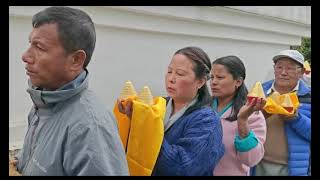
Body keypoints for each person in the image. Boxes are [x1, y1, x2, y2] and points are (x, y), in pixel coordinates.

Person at [13, 6, 129, 175]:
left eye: (39, 47)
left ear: (75, 60)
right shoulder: (43, 102)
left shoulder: (89, 128)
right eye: (30, 43)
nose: (25, 56)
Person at [118, 46, 225, 175]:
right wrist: (132, 119)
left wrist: (146, 127)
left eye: (180, 74)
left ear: (200, 82)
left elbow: (183, 167)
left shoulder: (207, 121)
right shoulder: (157, 105)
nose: (171, 79)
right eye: (169, 71)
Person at [254, 50, 311, 176]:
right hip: (258, 163)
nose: (283, 73)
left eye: (290, 68)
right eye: (279, 67)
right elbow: (244, 124)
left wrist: (296, 118)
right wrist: (260, 115)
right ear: (274, 69)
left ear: (301, 72)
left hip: (293, 168)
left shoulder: (308, 96)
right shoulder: (260, 92)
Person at [210, 56, 267, 176]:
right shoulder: (202, 108)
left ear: (238, 82)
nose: (213, 82)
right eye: (212, 77)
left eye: (220, 77)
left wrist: (242, 121)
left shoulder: (252, 114)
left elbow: (252, 159)